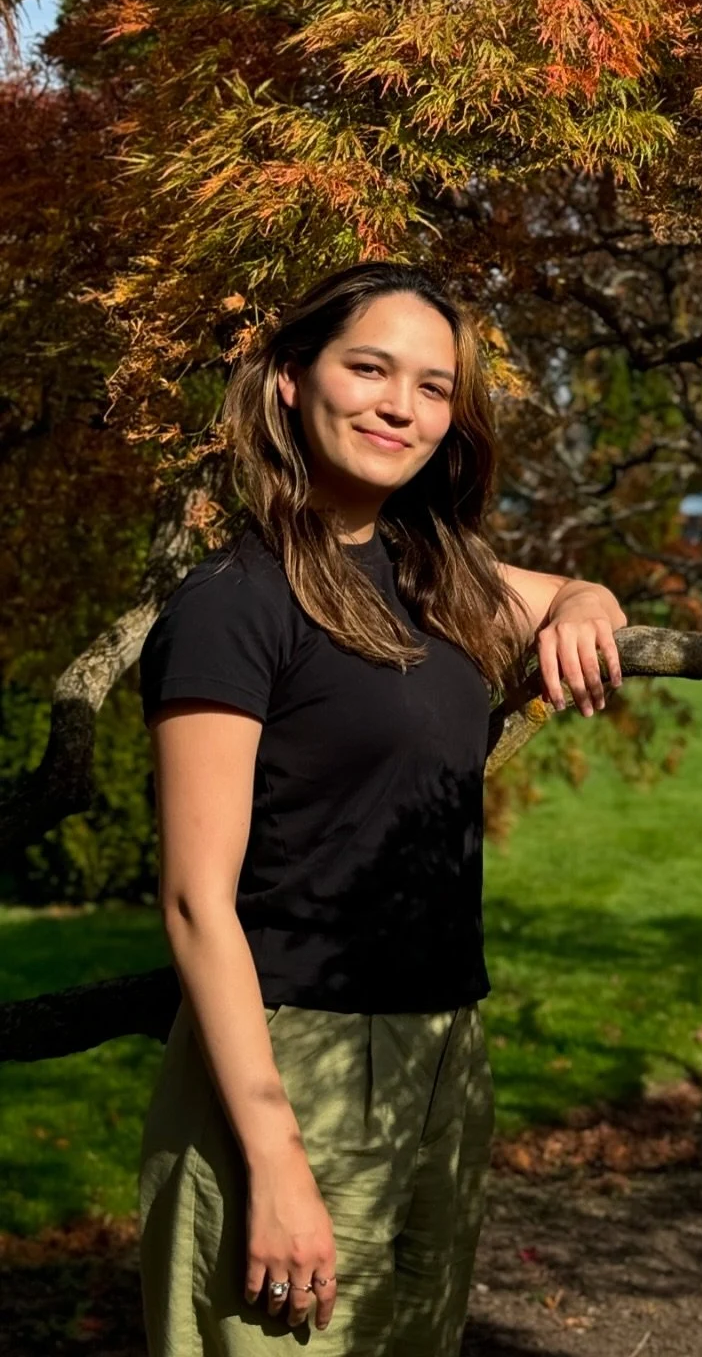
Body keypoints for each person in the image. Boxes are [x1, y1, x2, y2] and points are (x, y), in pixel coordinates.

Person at [135, 261, 627, 1355]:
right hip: (290, 1060)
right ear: (289, 383)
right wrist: (273, 1162)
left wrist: (586, 600)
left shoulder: (426, 572)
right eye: (369, 369)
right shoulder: (233, 609)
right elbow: (191, 904)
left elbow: (552, 594)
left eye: (433, 386)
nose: (400, 405)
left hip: (444, 1048)